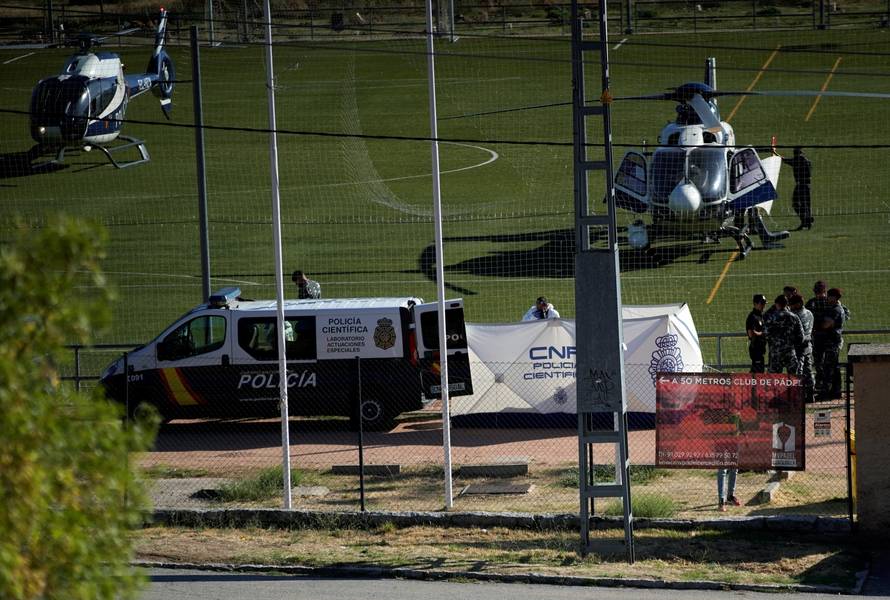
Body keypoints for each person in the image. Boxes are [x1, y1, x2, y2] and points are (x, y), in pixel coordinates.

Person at [815, 288, 847, 400]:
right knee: (834, 367)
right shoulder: (837, 308)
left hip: (832, 343)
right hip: (833, 342)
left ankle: (825, 393)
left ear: (834, 297)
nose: (827, 298)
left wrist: (818, 325)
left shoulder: (836, 310)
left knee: (828, 368)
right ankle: (836, 391)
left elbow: (826, 325)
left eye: (829, 296)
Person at [764, 294, 804, 375]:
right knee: (793, 378)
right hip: (790, 352)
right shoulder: (794, 317)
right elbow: (801, 336)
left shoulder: (772, 317)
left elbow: (766, 334)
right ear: (787, 304)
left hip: (776, 353)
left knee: (774, 379)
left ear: (777, 304)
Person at [789, 293, 815, 402]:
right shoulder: (809, 313)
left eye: (792, 304)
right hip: (808, 345)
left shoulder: (794, 315)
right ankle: (810, 394)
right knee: (808, 371)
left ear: (799, 303)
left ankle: (798, 397)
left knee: (798, 371)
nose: (791, 306)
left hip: (798, 346)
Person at [806, 281, 830, 395]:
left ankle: (821, 383)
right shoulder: (830, 302)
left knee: (818, 361)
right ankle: (828, 386)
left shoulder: (811, 303)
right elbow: (846, 314)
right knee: (828, 362)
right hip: (829, 337)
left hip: (816, 337)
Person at [781, 147, 813, 230]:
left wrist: (777, 156)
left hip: (801, 185)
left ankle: (805, 221)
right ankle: (808, 221)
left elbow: (786, 160)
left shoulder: (798, 160)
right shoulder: (806, 161)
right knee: (806, 204)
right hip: (807, 185)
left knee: (796, 204)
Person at [746, 294, 767, 373]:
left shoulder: (760, 316)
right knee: (758, 372)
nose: (763, 305)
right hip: (756, 348)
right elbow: (751, 333)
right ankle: (746, 384)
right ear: (755, 304)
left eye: (764, 303)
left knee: (757, 371)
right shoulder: (753, 317)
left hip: (760, 348)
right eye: (761, 303)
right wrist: (763, 334)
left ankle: (747, 384)